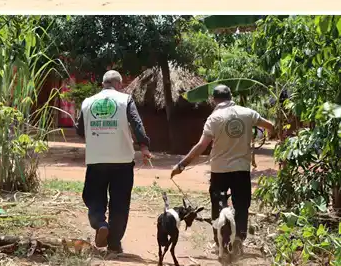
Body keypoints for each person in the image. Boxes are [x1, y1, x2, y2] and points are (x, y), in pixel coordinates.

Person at [171, 84, 273, 253]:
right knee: (241, 205)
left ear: (214, 99)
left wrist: (182, 164)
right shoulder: (248, 113)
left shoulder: (214, 118)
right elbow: (269, 125)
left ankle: (220, 241)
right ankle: (239, 237)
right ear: (231, 96)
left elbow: (201, 146)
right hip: (241, 168)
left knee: (218, 205)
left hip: (219, 170)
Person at [78, 70, 152, 255]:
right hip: (122, 161)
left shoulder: (88, 102)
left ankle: (100, 223)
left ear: (103, 84)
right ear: (119, 84)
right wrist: (144, 146)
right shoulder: (125, 100)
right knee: (120, 202)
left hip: (96, 160)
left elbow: (80, 130)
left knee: (93, 196)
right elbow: (136, 123)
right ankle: (114, 244)